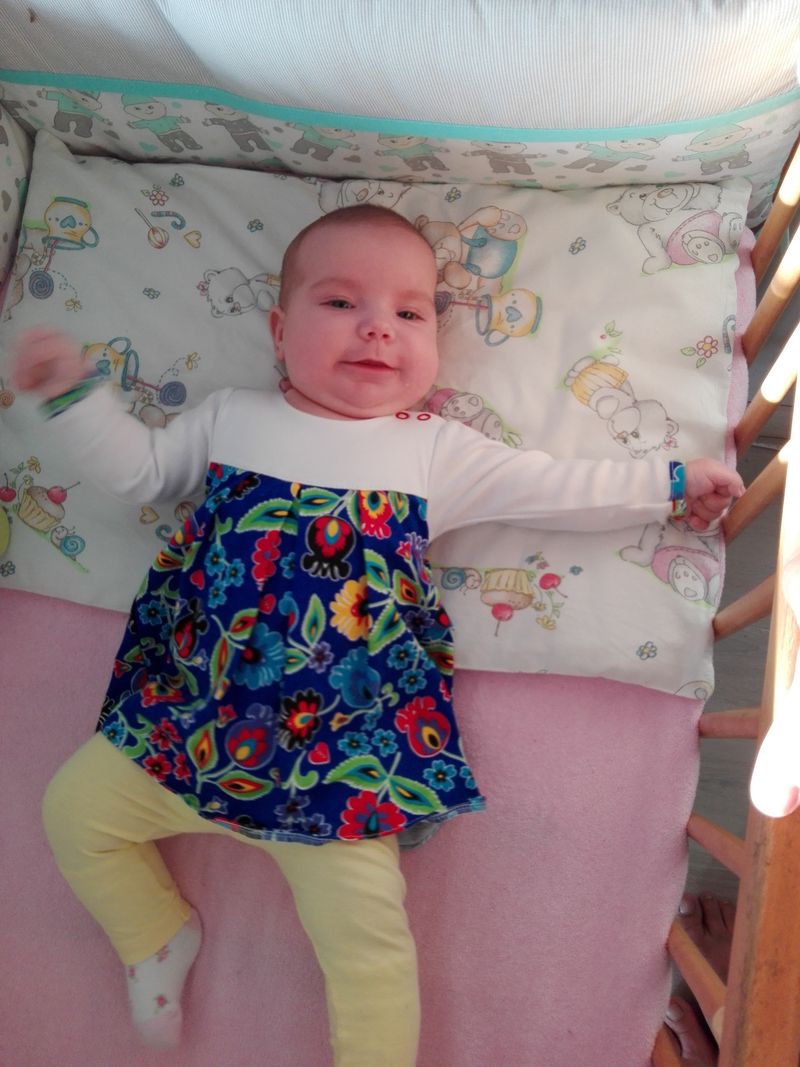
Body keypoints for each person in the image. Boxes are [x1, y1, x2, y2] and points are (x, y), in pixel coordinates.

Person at [12, 204, 745, 1067]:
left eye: (409, 312)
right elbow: (139, 470)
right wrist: (72, 394)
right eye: (339, 303)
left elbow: (556, 486)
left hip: (338, 764)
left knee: (370, 953)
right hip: (184, 730)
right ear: (279, 330)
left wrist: (669, 484)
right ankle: (154, 933)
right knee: (72, 813)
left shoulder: (432, 451)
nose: (377, 328)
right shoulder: (230, 416)